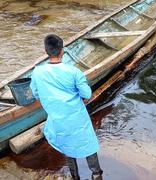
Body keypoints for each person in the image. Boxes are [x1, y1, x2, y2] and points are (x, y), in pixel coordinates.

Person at [30, 34, 103, 180]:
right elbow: (87, 93)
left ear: (46, 51)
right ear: (62, 51)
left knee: (67, 143)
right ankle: (96, 174)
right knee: (87, 142)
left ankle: (75, 176)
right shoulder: (73, 71)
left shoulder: (37, 72)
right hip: (76, 116)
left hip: (57, 117)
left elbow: (36, 93)